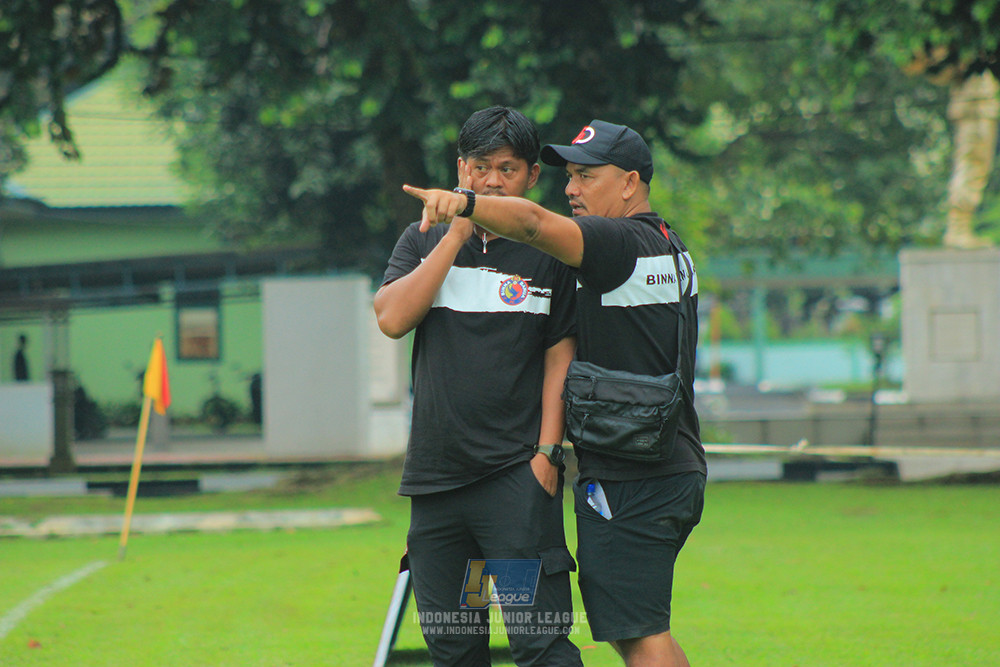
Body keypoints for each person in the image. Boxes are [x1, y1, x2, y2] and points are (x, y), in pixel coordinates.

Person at [403, 120, 707, 667]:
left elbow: (535, 224)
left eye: (587, 176)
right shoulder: (668, 245)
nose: (572, 189)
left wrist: (464, 203)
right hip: (664, 463)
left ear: (630, 183)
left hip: (632, 476)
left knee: (633, 634)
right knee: (630, 628)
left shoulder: (617, 243)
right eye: (570, 176)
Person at [374, 106, 582, 666]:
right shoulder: (421, 241)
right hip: (437, 488)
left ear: (532, 176)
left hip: (514, 483)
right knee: (453, 646)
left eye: (509, 169)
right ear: (460, 168)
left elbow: (561, 356)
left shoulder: (552, 253)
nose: (493, 180)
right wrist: (457, 233)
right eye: (481, 167)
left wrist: (546, 453)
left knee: (538, 644)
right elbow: (392, 319)